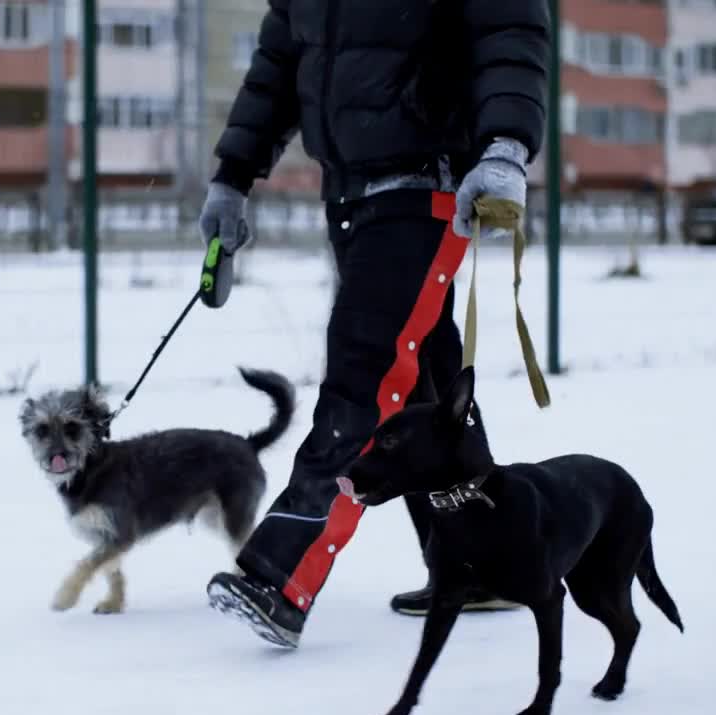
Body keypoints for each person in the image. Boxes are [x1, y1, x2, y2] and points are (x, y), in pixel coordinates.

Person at [198, 0, 550, 648]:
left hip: (425, 185)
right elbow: (278, 64)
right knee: (425, 388)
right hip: (348, 195)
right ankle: (482, 564)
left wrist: (505, 146)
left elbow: (509, 30)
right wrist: (231, 177)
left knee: (365, 377)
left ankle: (282, 575)